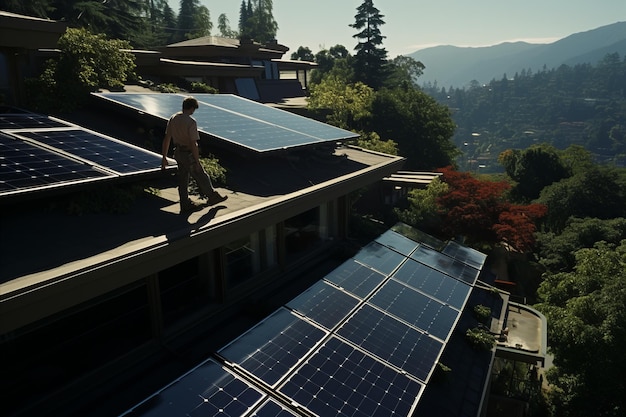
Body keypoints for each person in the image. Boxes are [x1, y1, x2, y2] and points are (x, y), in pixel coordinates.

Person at [161, 96, 227, 213]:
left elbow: (167, 138)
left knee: (182, 179)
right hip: (188, 153)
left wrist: (164, 157)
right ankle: (212, 197)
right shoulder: (191, 122)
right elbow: (193, 143)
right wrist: (197, 161)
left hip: (177, 153)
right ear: (191, 108)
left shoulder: (173, 118)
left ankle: (185, 204)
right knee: (201, 175)